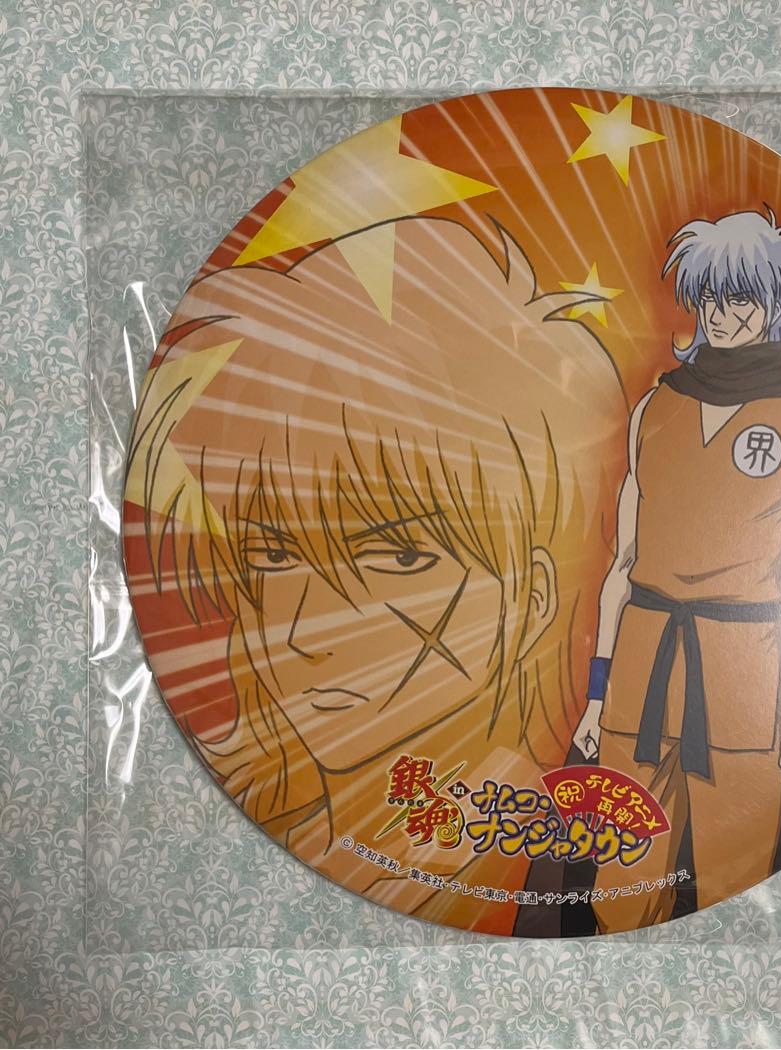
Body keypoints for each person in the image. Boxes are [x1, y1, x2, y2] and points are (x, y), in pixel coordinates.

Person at [124, 215, 626, 935]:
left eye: (400, 557)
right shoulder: (225, 844)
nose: (304, 632)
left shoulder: (561, 876)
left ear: (533, 598)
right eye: (274, 554)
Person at [572, 207, 781, 933]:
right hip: (640, 673)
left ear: (776, 302)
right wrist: (598, 697)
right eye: (710, 297)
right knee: (618, 886)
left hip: (749, 679)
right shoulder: (656, 407)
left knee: (737, 888)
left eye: (742, 297)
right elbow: (623, 564)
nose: (722, 315)